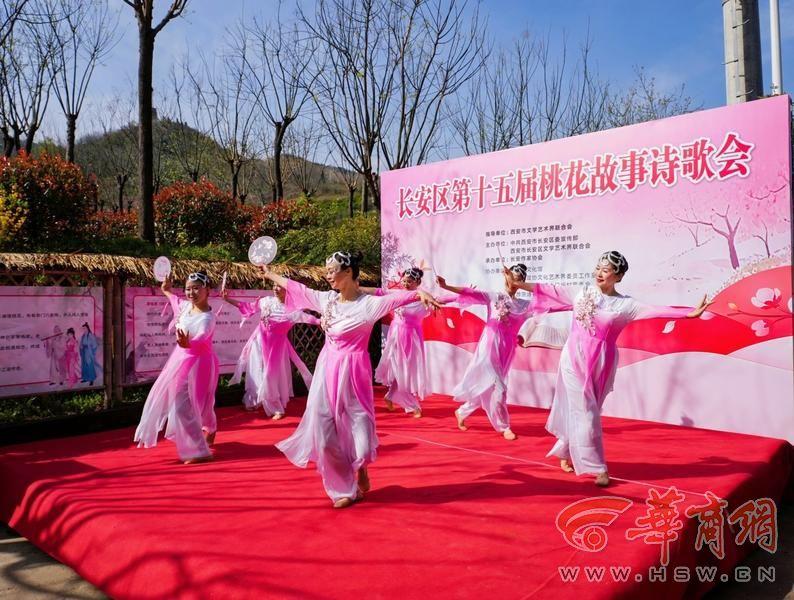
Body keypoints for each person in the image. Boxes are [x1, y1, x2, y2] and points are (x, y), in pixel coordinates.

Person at [513, 251, 711, 486]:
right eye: (598, 268)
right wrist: (519, 284)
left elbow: (655, 310)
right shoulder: (581, 293)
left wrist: (688, 314)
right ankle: (598, 468)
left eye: (605, 270)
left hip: (602, 363)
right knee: (586, 412)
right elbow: (548, 290)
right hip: (573, 359)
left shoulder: (626, 305)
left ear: (618, 276)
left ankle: (565, 449)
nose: (599, 273)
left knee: (589, 409)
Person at [261, 252, 441, 508]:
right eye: (327, 270)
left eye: (332, 270)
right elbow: (299, 289)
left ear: (348, 272)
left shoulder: (369, 305)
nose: (328, 275)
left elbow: (396, 298)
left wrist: (419, 294)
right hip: (327, 371)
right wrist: (270, 274)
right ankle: (345, 489)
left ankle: (362, 466)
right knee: (324, 436)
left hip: (355, 372)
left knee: (363, 442)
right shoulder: (327, 300)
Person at [436, 264, 534, 441]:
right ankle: (504, 427)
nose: (512, 281)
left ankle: (462, 411)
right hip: (489, 347)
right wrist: (446, 286)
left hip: (506, 349)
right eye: (510, 276)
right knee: (499, 388)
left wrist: (573, 305)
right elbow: (470, 293)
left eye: (517, 279)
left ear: (522, 283)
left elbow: (548, 304)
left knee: (486, 385)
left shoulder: (523, 305)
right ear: (505, 277)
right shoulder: (494, 296)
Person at [134, 272, 219, 464]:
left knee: (195, 404)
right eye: (188, 289)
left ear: (207, 290)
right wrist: (166, 290)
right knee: (187, 405)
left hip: (199, 364)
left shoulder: (207, 318)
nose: (191, 292)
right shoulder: (185, 306)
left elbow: (202, 337)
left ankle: (200, 451)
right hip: (180, 361)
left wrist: (189, 343)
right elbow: (174, 300)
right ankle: (209, 430)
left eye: (196, 288)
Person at [361, 267, 456, 418]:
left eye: (410, 281)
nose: (406, 284)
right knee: (400, 369)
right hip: (396, 336)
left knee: (406, 371)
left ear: (418, 282)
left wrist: (461, 294)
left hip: (412, 338)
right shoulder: (397, 294)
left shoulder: (423, 297)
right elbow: (378, 292)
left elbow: (443, 299)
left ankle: (390, 396)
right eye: (404, 281)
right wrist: (357, 288)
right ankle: (411, 405)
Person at [223, 283, 320, 419]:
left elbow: (312, 319)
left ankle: (275, 406)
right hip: (259, 343)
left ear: (288, 289)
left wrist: (323, 321)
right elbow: (247, 306)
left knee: (271, 376)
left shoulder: (293, 310)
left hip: (277, 349)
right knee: (256, 371)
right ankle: (253, 399)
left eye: (279, 286)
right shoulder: (266, 301)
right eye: (274, 285)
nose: (275, 288)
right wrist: (227, 299)